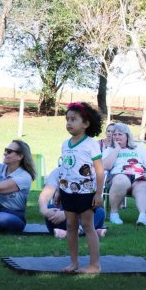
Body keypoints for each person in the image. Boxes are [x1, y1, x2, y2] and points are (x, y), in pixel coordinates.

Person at [58, 102, 104, 273]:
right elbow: (64, 168)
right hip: (67, 192)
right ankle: (74, 262)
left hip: (86, 193)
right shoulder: (65, 144)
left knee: (87, 225)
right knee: (70, 225)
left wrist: (98, 194)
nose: (69, 123)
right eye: (67, 119)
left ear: (86, 123)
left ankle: (95, 265)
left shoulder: (91, 144)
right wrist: (59, 190)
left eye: (73, 119)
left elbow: (99, 171)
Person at [102, 123, 146, 226]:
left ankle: (142, 216)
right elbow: (106, 166)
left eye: (120, 134)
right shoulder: (109, 150)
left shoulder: (139, 148)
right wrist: (117, 149)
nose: (117, 137)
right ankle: (114, 214)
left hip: (139, 176)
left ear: (127, 136)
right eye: (115, 134)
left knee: (142, 186)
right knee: (122, 181)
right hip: (119, 175)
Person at [39, 168, 106, 239]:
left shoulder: (91, 173)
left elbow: (93, 202)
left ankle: (76, 231)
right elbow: (46, 194)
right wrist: (44, 210)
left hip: (83, 213)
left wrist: (66, 214)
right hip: (63, 214)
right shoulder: (58, 172)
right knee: (50, 208)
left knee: (99, 212)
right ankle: (91, 231)